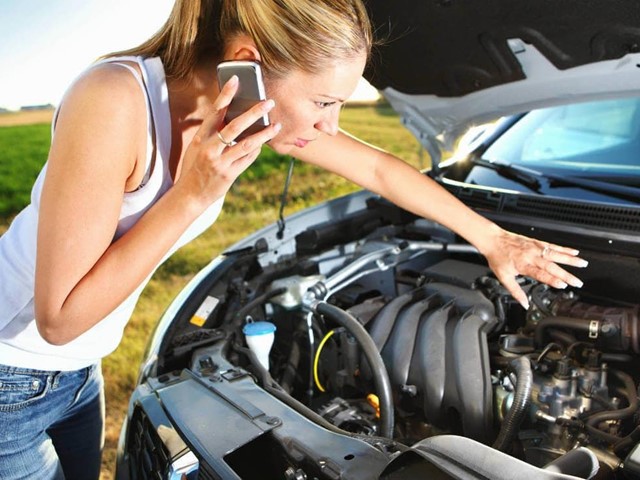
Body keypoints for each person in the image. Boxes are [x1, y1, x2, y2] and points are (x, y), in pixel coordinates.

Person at [0, 0, 588, 478]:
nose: (331, 126)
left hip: (78, 370)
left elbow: (381, 170)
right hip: (13, 370)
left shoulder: (250, 112)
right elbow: (59, 318)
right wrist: (189, 198)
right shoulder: (114, 99)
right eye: (325, 102)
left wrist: (493, 239)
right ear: (248, 63)